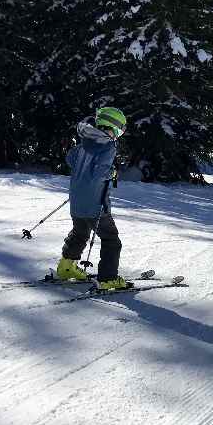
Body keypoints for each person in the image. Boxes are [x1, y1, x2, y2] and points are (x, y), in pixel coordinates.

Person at [55, 106, 131, 291]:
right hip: (95, 205)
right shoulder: (108, 146)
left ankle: (66, 267)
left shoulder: (84, 143)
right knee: (111, 239)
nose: (117, 136)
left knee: (80, 233)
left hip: (77, 203)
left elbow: (70, 159)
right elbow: (99, 173)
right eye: (118, 132)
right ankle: (107, 278)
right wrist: (110, 171)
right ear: (112, 128)